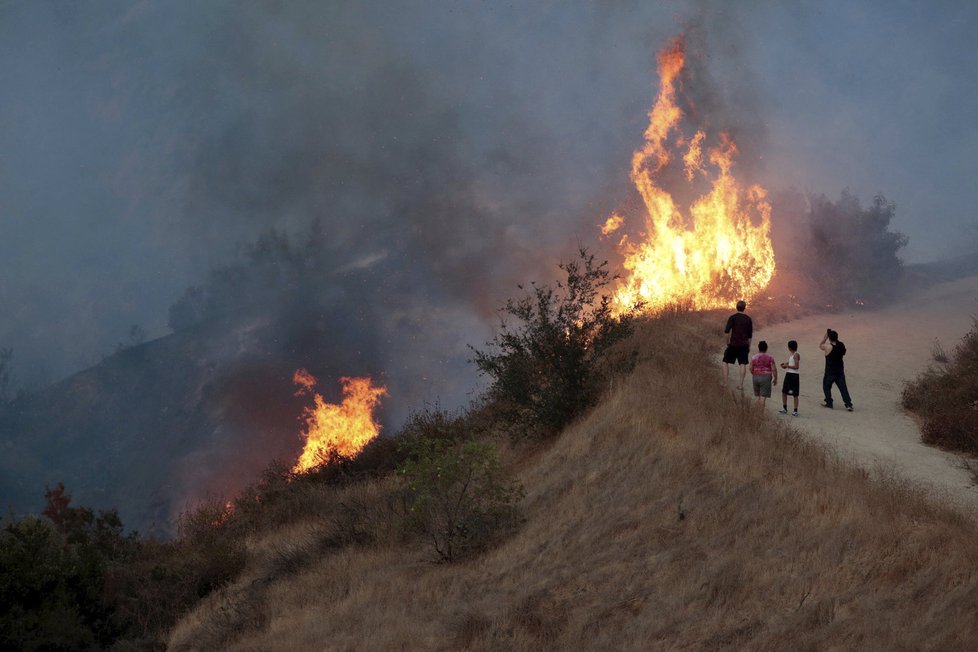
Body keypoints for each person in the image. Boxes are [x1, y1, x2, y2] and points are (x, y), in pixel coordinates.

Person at [722, 300, 753, 390]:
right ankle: (740, 385)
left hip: (733, 344)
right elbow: (750, 336)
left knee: (725, 362)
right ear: (745, 308)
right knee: (742, 364)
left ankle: (725, 383)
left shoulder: (733, 317)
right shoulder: (748, 319)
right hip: (744, 345)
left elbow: (727, 332)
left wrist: (727, 342)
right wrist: (749, 346)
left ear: (736, 307)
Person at [820, 329, 853, 411]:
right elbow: (844, 353)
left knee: (826, 387)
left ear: (829, 338)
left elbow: (820, 345)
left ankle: (829, 403)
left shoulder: (828, 347)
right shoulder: (841, 345)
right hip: (839, 371)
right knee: (843, 388)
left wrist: (825, 337)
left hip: (830, 371)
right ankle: (848, 404)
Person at [750, 340, 778, 407]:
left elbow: (751, 368)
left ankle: (755, 412)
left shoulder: (754, 357)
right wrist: (775, 378)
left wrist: (754, 374)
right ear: (766, 348)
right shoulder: (770, 358)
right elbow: (774, 369)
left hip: (756, 376)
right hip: (766, 377)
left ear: (758, 348)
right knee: (763, 397)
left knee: (757, 396)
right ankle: (760, 414)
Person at [778, 340, 801, 416]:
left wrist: (787, 366)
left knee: (795, 393)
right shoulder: (792, 355)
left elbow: (796, 366)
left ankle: (795, 410)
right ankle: (784, 408)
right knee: (784, 391)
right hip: (789, 374)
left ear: (789, 347)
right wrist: (785, 364)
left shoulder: (795, 355)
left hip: (793, 375)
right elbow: (792, 363)